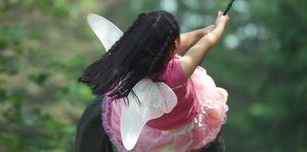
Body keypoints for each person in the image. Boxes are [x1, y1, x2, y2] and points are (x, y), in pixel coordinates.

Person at [78, 10, 230, 152]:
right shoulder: (179, 71)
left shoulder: (132, 61)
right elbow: (207, 42)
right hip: (181, 129)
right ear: (173, 45)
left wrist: (201, 32)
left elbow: (176, 43)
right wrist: (220, 24)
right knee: (221, 94)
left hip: (149, 131)